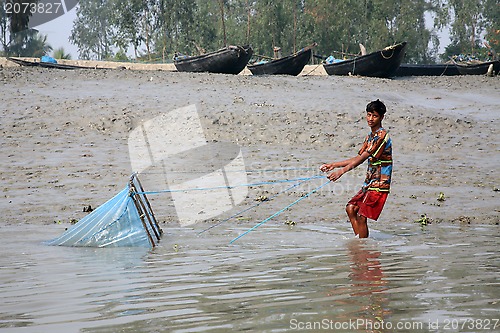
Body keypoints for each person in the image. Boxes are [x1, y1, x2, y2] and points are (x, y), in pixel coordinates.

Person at [320, 99, 392, 238]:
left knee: (361, 215)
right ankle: (360, 244)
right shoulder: (370, 137)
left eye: (375, 116)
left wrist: (341, 172)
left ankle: (363, 251)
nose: (371, 119)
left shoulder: (382, 136)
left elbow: (363, 158)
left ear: (381, 117)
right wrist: (333, 165)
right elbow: (356, 158)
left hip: (379, 184)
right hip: (370, 182)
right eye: (369, 115)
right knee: (351, 209)